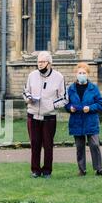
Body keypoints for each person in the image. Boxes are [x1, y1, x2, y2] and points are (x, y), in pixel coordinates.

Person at [23, 51, 68, 179]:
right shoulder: (32, 75)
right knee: (35, 144)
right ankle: (35, 170)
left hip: (49, 117)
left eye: (43, 62)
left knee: (48, 145)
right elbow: (25, 92)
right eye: (38, 62)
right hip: (33, 115)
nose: (40, 64)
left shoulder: (59, 77)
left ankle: (47, 170)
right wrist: (29, 98)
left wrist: (52, 106)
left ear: (49, 63)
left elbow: (64, 98)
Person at [65, 63, 102, 177]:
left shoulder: (94, 88)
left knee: (94, 145)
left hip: (90, 121)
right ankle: (81, 170)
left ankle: (99, 169)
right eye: (80, 73)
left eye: (84, 73)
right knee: (79, 146)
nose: (82, 75)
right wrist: (70, 108)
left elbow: (100, 103)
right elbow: (66, 104)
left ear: (88, 74)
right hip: (76, 121)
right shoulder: (71, 89)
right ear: (76, 74)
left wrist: (90, 108)